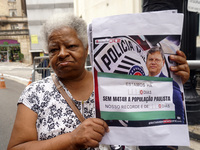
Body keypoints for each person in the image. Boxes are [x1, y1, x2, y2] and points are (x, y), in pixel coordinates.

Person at [7, 14, 190, 150]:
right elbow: (16, 147)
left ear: (86, 49)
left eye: (71, 46)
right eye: (54, 49)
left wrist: (173, 84)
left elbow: (159, 134)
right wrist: (71, 139)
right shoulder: (35, 93)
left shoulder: (118, 84)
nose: (62, 53)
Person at [146, 46, 185, 123]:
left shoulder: (172, 85)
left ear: (163, 63)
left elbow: (179, 119)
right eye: (151, 59)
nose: (153, 62)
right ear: (146, 62)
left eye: (157, 60)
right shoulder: (138, 83)